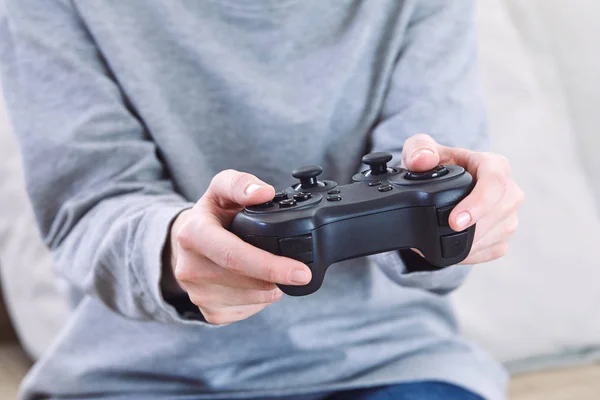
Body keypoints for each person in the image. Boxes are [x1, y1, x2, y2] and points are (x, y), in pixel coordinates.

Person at [0, 0, 524, 399]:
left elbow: (432, 182)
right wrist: (177, 251)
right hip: (140, 376)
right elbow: (89, 203)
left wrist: (466, 221)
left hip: (389, 359)